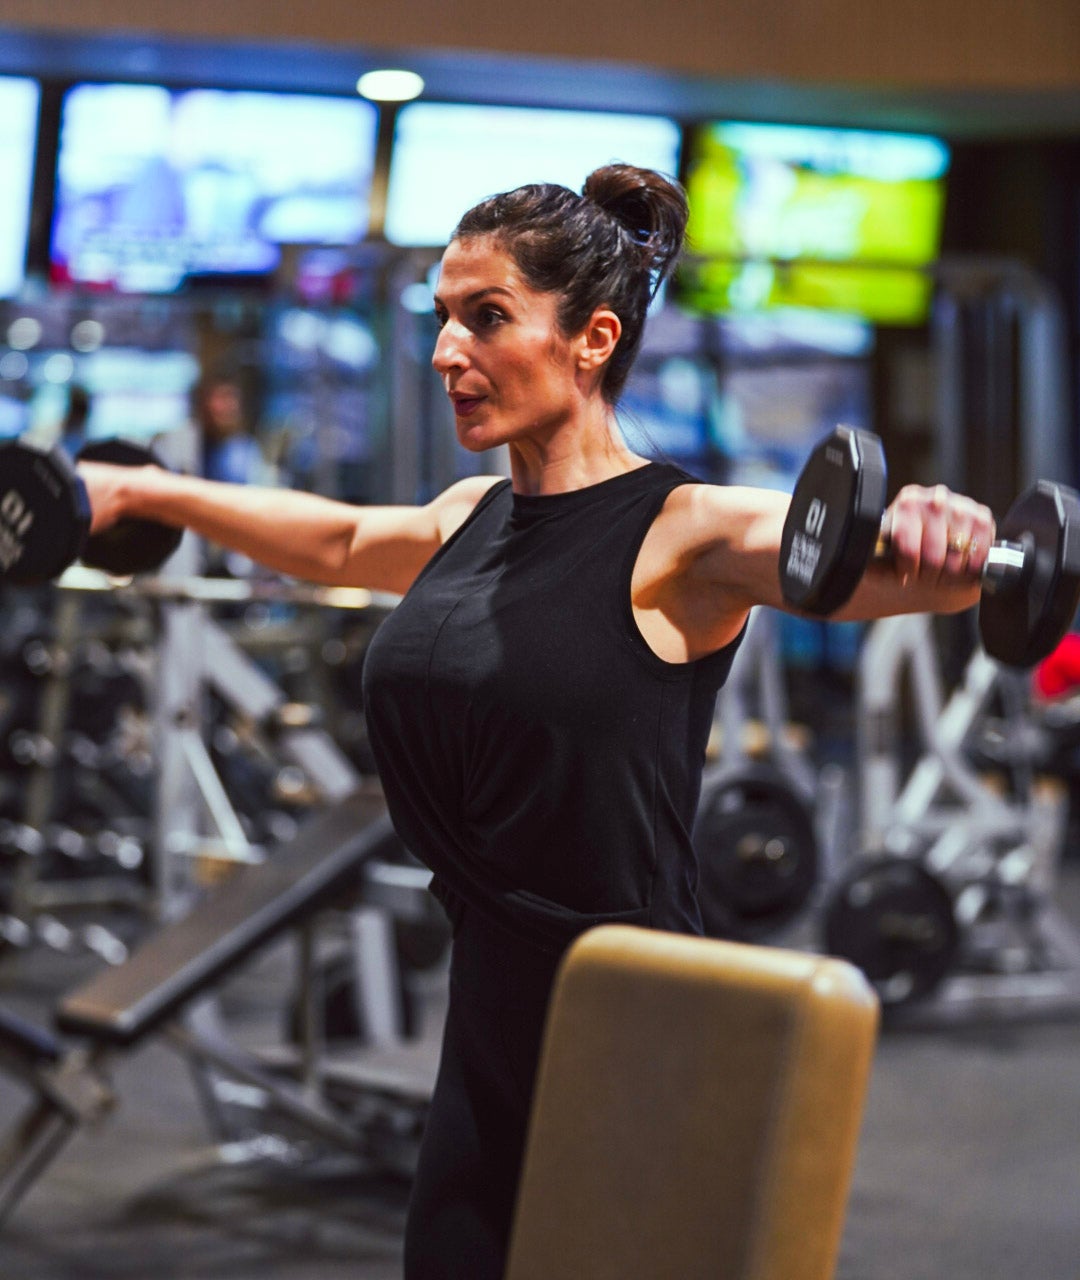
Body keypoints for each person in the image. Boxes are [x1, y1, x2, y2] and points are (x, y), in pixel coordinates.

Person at [77, 163, 995, 1279]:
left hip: (636, 1030)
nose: (445, 353)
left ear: (593, 339)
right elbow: (333, 542)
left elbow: (874, 564)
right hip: (490, 1028)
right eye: (443, 320)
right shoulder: (472, 515)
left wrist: (945, 539)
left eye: (486, 318)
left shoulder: (687, 530)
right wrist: (148, 495)